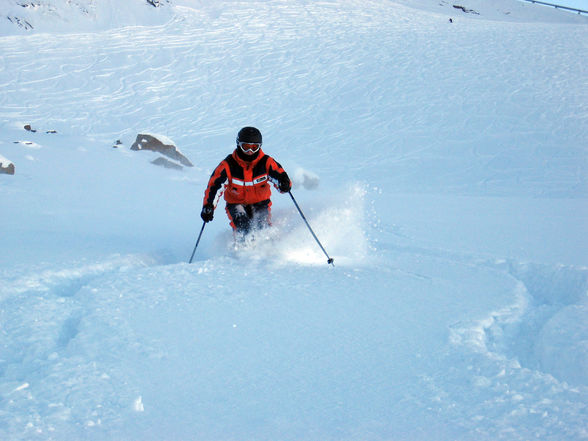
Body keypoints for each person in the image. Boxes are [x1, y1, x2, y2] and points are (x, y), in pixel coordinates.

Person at [200, 127, 292, 237]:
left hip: (261, 203)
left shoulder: (266, 162)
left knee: (262, 227)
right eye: (246, 147)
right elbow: (214, 187)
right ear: (239, 144)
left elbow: (280, 176)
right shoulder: (228, 165)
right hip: (236, 203)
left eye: (254, 147)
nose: (250, 151)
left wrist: (284, 184)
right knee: (243, 226)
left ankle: (267, 250)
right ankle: (241, 251)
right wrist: (209, 206)